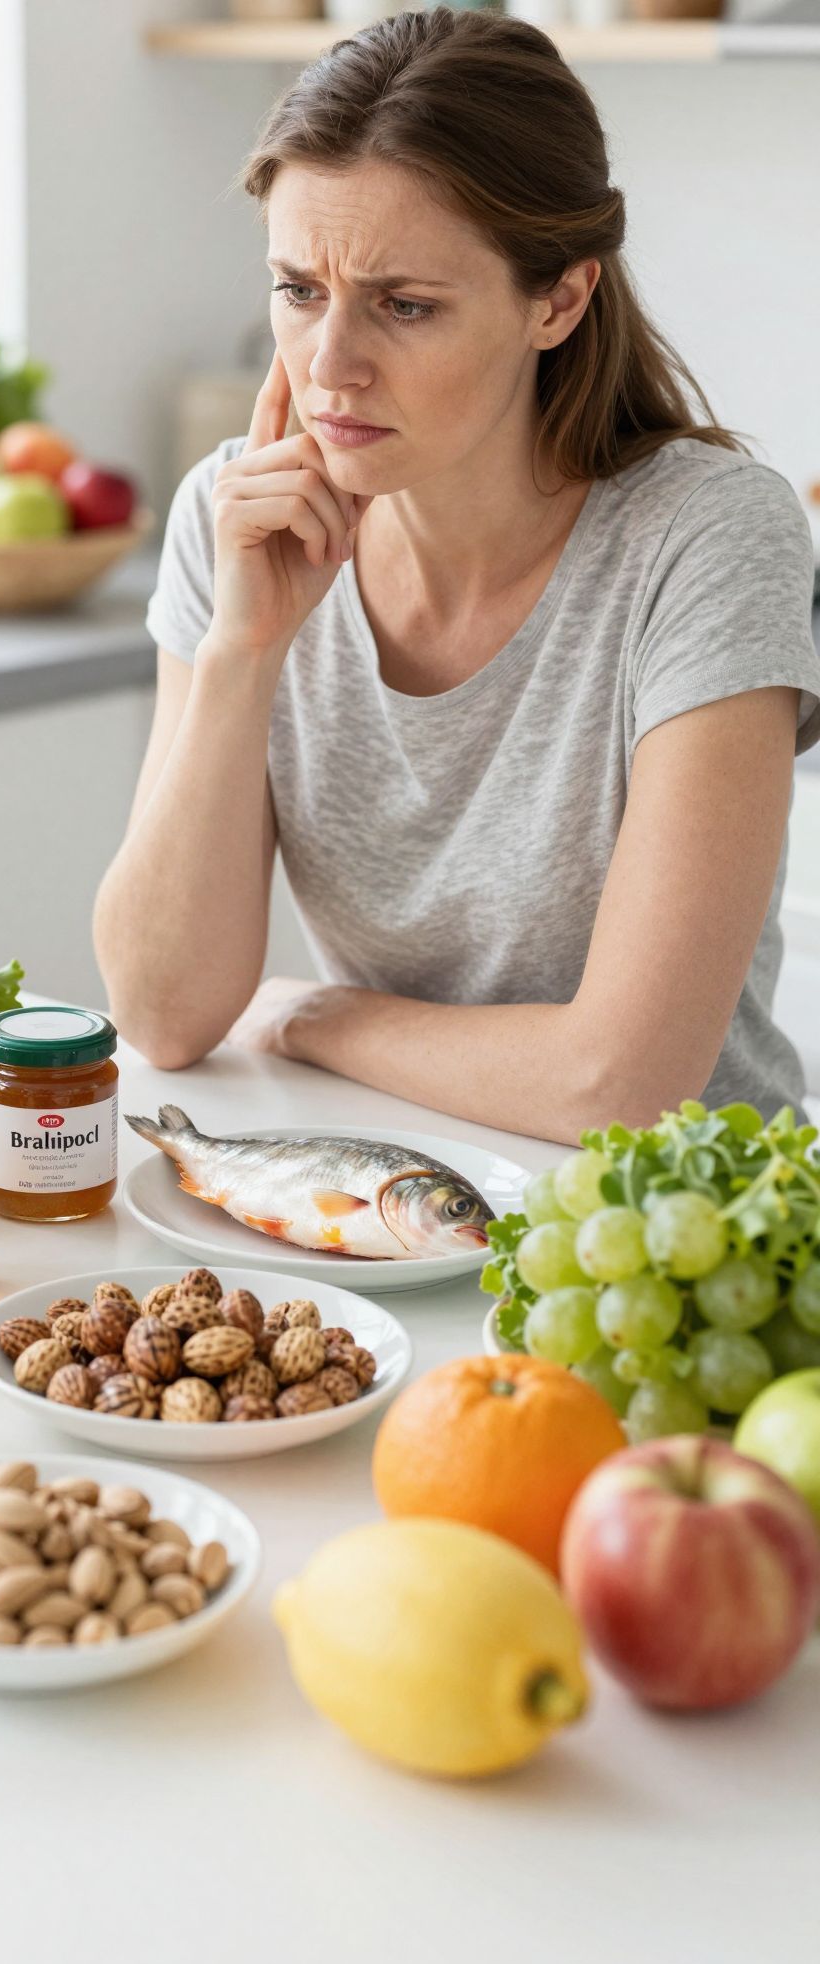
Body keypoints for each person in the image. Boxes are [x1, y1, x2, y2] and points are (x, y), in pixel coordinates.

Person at [94, 7, 820, 1142]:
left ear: (558, 300)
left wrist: (317, 1015)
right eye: (298, 290)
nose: (331, 366)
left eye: (406, 305)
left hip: (674, 1221)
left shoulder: (707, 537)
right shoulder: (235, 519)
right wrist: (242, 652)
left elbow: (622, 1086)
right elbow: (161, 1013)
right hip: (391, 1192)